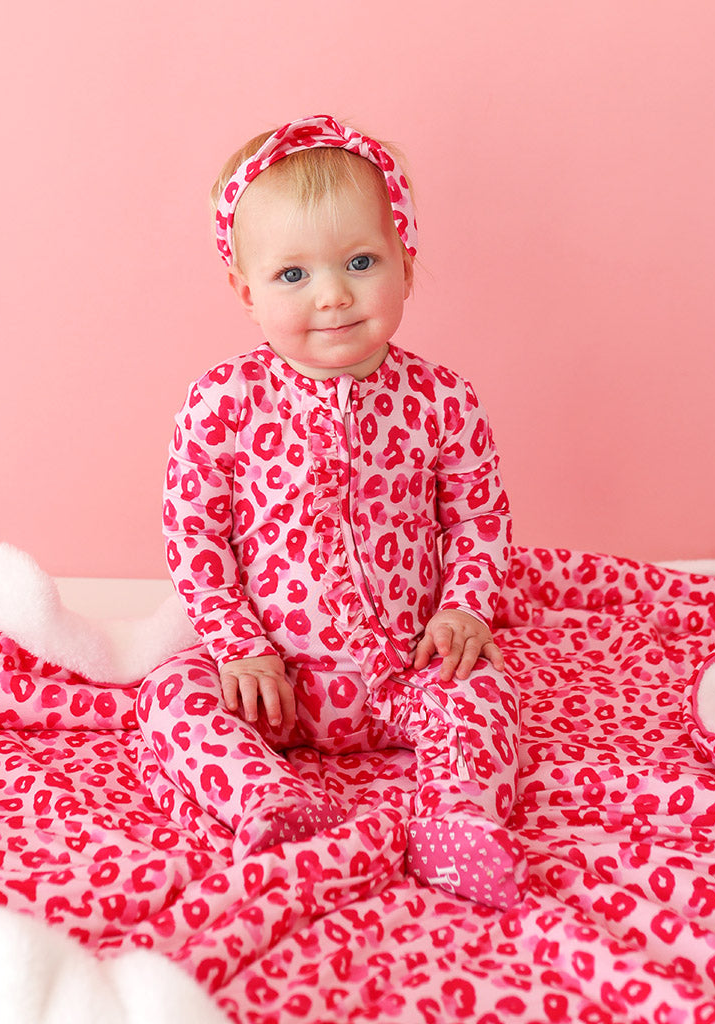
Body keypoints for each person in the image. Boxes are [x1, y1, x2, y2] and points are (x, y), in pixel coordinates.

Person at [137, 114, 525, 909]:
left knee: (486, 695)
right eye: (293, 275)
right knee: (170, 696)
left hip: (412, 670)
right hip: (278, 683)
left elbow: (480, 522)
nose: (334, 295)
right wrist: (241, 650)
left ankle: (457, 821)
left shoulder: (442, 399)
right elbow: (195, 535)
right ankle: (271, 806)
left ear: (406, 267)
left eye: (360, 262)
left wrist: (464, 613)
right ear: (245, 291)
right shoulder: (224, 403)